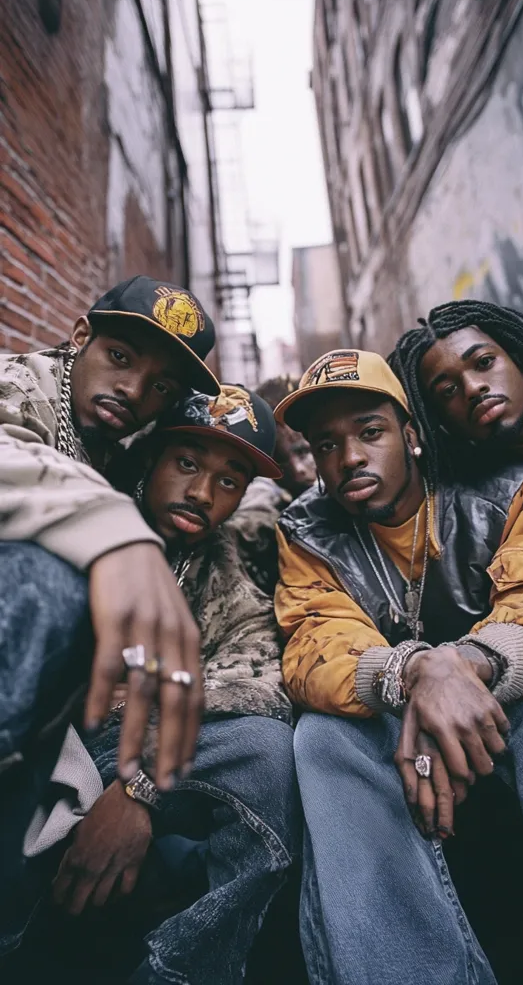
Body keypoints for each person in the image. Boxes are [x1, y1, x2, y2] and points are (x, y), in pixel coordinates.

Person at [273, 348, 523, 985]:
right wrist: (415, 675)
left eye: (369, 431)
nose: (348, 457)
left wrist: (462, 665)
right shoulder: (306, 529)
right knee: (323, 737)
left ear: (410, 435)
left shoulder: (508, 489)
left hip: (508, 705)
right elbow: (315, 641)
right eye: (326, 444)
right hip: (397, 725)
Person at [10, 385, 298, 985]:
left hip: (137, 750)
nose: (200, 493)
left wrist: (138, 786)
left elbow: (261, 678)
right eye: (187, 464)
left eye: (228, 480)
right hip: (43, 744)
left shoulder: (221, 569)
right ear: (151, 460)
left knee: (269, 753)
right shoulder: (88, 517)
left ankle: (179, 971)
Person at [0, 275, 219, 948]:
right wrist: (114, 531)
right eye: (122, 358)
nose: (133, 390)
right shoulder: (20, 385)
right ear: (79, 338)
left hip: (42, 733)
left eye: (159, 384)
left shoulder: (121, 454)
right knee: (53, 578)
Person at [389, 299, 523, 521]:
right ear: (440, 420)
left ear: (517, 356)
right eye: (448, 391)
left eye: (484, 362)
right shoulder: (477, 497)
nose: (473, 388)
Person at [228, 376, 316, 595]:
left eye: (304, 451)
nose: (298, 470)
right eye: (280, 460)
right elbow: (252, 516)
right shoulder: (262, 498)